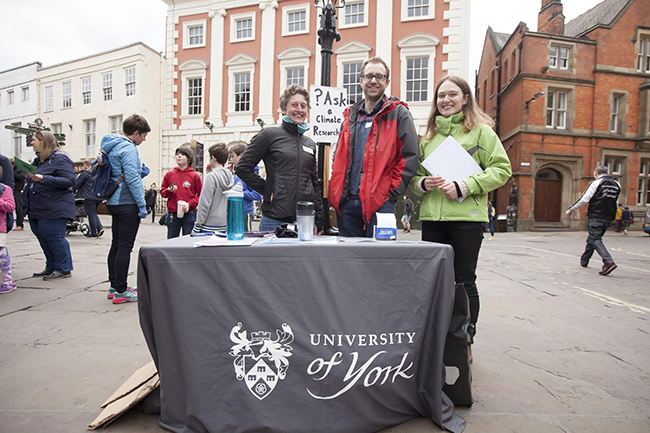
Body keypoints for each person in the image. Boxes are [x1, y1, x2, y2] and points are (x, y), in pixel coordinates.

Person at [410, 75, 512, 353]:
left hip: (467, 220)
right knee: (434, 282)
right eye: (441, 96)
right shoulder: (428, 137)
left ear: (466, 98)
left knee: (464, 280)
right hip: (433, 219)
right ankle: (439, 336)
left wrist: (465, 185)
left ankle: (465, 338)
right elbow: (414, 177)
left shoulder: (482, 133)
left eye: (452, 94)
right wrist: (422, 183)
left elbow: (502, 170)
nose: (445, 100)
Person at [329, 56, 419, 237]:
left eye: (379, 76)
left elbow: (409, 157)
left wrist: (391, 191)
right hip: (347, 205)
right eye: (368, 76)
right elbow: (339, 156)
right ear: (360, 80)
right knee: (349, 261)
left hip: (381, 204)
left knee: (380, 261)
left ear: (387, 82)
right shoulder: (350, 116)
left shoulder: (398, 113)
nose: (373, 81)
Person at [236, 84, 324, 234]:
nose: (299, 109)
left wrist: (320, 220)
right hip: (274, 219)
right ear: (283, 109)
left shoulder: (309, 143)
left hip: (305, 219)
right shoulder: (269, 135)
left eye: (303, 106)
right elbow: (242, 167)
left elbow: (313, 182)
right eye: (294, 105)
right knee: (273, 258)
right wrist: (269, 189)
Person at [102, 114, 151, 303]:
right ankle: (122, 290)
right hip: (127, 203)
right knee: (125, 246)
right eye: (143, 136)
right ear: (136, 133)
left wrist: (140, 172)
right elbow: (132, 179)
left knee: (116, 244)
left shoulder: (113, 145)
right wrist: (141, 204)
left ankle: (114, 285)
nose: (144, 140)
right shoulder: (128, 148)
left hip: (113, 202)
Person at [23, 131, 76, 280]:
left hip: (54, 206)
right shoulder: (39, 160)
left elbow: (69, 180)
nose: (31, 143)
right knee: (42, 237)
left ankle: (63, 268)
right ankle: (51, 265)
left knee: (54, 237)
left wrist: (43, 178)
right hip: (38, 206)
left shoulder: (60, 158)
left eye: (34, 140)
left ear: (43, 141)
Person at [565, 165, 621, 276]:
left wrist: (571, 209)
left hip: (596, 215)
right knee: (594, 238)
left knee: (595, 239)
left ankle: (608, 262)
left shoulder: (596, 183)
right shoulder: (617, 184)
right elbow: (615, 201)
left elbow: (584, 199)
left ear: (596, 174)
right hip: (609, 216)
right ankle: (584, 260)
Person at [160, 146, 202, 239]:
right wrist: (169, 191)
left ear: (189, 159)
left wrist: (190, 204)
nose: (179, 156)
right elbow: (163, 192)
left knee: (187, 240)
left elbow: (200, 195)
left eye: (182, 155)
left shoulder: (194, 176)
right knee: (171, 240)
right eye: (177, 154)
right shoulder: (169, 174)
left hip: (189, 213)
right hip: (173, 213)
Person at [192, 143, 233, 235]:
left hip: (209, 225)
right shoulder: (230, 176)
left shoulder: (211, 177)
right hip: (225, 223)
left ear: (213, 158)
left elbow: (205, 203)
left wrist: (197, 226)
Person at [229, 142, 262, 232]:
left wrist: (239, 193)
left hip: (245, 213)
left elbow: (258, 195)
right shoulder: (237, 174)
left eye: (233, 156)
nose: (231, 160)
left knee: (246, 237)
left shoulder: (251, 174)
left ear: (241, 155)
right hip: (236, 212)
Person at [73, 159, 104, 238]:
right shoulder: (99, 174)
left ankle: (94, 232)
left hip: (89, 196)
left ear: (85, 165)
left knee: (91, 214)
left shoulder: (85, 173)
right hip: (99, 196)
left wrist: (72, 191)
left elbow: (77, 184)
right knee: (93, 213)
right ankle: (99, 228)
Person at [0, 166, 16, 293]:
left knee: (1, 254)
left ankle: (8, 280)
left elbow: (10, 207)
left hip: (0, 227)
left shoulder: (5, 189)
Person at [10, 159, 25, 230]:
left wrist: (12, 172)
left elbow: (22, 177)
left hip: (17, 190)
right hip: (10, 189)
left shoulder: (19, 169)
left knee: (18, 208)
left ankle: (20, 224)